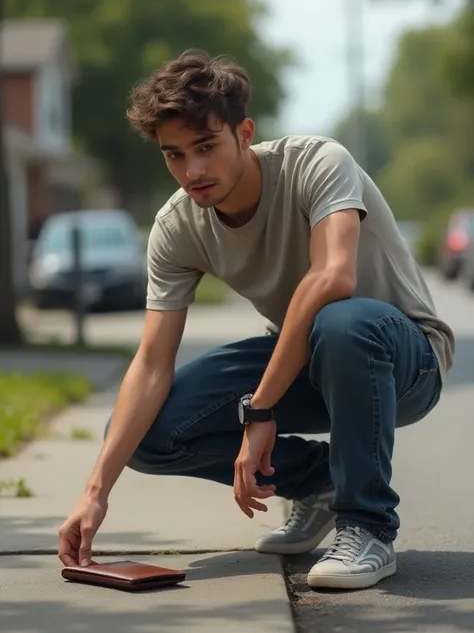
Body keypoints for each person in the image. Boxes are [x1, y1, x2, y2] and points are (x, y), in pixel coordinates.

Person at [58, 50, 455, 591]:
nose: (193, 171)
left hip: (404, 361)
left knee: (343, 322)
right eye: (174, 155)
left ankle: (368, 526)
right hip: (308, 361)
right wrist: (95, 489)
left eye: (206, 147)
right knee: (140, 436)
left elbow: (333, 277)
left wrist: (260, 408)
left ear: (243, 133)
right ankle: (317, 484)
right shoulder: (177, 227)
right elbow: (151, 363)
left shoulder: (317, 162)